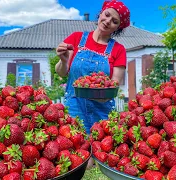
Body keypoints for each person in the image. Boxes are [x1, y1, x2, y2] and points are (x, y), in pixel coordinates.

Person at [55, 0, 130, 135]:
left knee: (100, 152)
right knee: (75, 152)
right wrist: (63, 61)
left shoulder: (119, 50)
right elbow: (61, 72)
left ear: (118, 28)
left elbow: (114, 85)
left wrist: (100, 94)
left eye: (114, 21)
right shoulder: (76, 38)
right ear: (100, 13)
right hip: (73, 109)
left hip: (102, 112)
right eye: (106, 15)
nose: (107, 21)